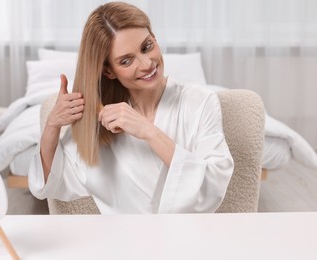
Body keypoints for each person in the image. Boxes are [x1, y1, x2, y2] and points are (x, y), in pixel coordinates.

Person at [29, 2, 234, 214]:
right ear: (108, 71)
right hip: (121, 241)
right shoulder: (102, 121)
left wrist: (148, 131)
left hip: (188, 238)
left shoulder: (200, 102)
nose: (146, 64)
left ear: (154, 38)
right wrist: (52, 125)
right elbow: (50, 181)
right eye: (126, 61)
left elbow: (214, 183)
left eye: (147, 47)